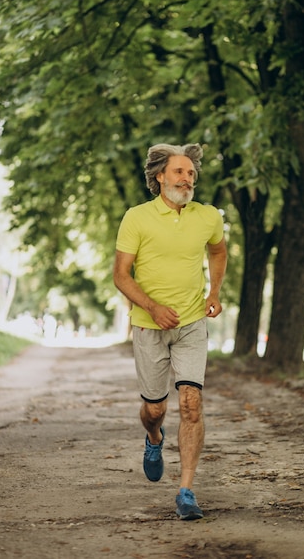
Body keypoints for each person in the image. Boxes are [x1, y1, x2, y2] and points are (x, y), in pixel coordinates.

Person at [113, 143, 227, 520]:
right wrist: (152, 307)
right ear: (160, 176)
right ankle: (154, 438)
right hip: (149, 327)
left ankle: (186, 491)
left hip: (192, 323)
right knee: (155, 408)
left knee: (191, 404)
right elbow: (120, 275)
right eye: (179, 171)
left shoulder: (208, 216)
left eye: (191, 173)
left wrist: (214, 291)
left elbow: (218, 251)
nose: (187, 178)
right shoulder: (137, 218)